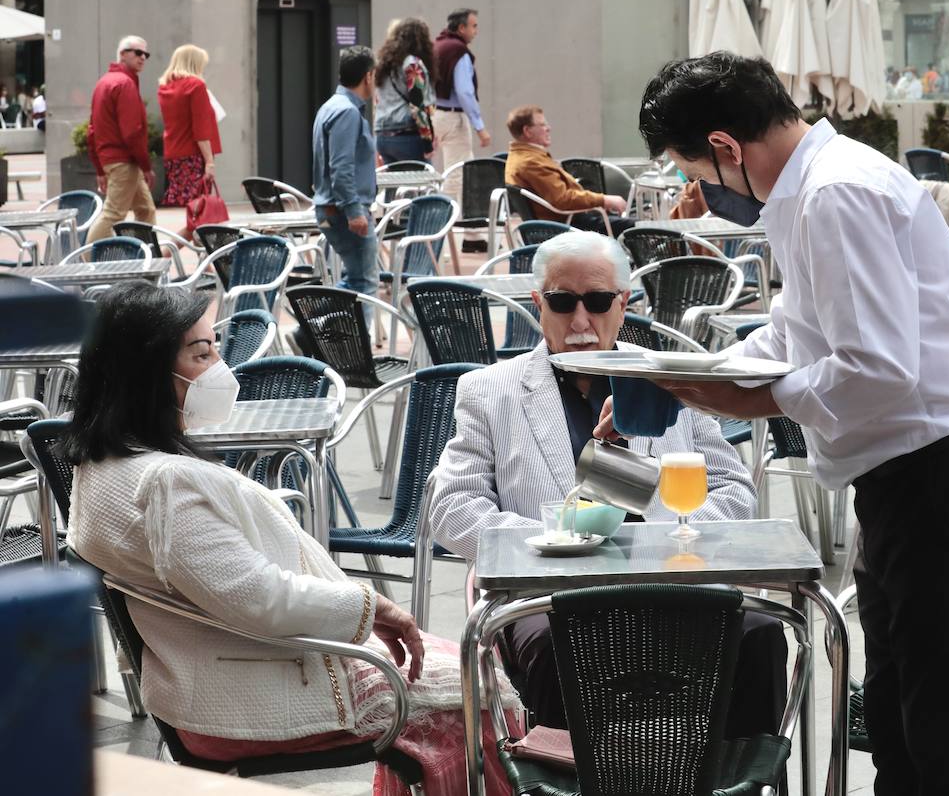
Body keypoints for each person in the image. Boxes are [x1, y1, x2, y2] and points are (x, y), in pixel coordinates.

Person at [618, 52, 949, 795]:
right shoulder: (809, 191)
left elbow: (877, 366)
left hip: (944, 475)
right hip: (904, 477)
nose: (703, 194)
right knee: (906, 733)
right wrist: (695, 380)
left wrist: (753, 401)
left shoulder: (835, 192)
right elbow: (791, 334)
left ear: (725, 148)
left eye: (697, 174)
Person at [62, 281, 517, 795]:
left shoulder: (97, 468)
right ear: (146, 371)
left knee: (469, 665)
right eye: (201, 352)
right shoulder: (168, 483)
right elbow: (261, 598)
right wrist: (375, 607)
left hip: (211, 676)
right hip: (247, 695)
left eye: (216, 347)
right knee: (481, 692)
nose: (218, 366)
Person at [428, 229, 782, 737]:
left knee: (761, 634)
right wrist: (551, 542)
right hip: (553, 592)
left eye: (596, 302)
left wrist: (668, 536)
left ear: (623, 303)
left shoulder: (669, 383)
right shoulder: (489, 389)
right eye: (562, 301)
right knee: (558, 646)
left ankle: (737, 782)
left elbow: (734, 489)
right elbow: (451, 505)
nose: (580, 320)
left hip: (675, 581)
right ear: (538, 303)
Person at [311, 46, 380, 299]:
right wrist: (354, 210)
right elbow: (341, 167)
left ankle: (312, 331)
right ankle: (353, 337)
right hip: (343, 210)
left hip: (330, 207)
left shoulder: (331, 107)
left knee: (357, 279)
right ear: (368, 76)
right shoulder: (347, 112)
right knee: (365, 283)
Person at [503, 105, 631, 236]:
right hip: (566, 227)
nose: (548, 128)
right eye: (542, 125)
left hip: (556, 225)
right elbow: (563, 199)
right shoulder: (530, 162)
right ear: (527, 131)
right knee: (638, 228)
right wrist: (604, 200)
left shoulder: (520, 156)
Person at [87, 35, 156, 242]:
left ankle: (143, 257)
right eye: (138, 52)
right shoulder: (124, 84)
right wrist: (146, 166)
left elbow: (92, 130)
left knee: (145, 210)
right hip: (124, 161)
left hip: (116, 160)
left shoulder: (105, 83)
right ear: (123, 54)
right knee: (114, 214)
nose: (143, 57)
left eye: (146, 54)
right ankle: (87, 260)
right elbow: (132, 132)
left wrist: (100, 167)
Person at [156, 45, 222, 237]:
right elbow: (200, 129)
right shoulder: (196, 85)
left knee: (195, 212)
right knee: (200, 213)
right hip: (194, 156)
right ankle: (172, 251)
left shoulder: (165, 87)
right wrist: (209, 161)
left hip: (175, 154)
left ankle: (201, 255)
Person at [432, 8, 491, 197]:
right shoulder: (459, 52)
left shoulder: (437, 45)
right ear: (461, 28)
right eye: (473, 26)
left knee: (435, 172)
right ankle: (449, 221)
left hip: (434, 115)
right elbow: (465, 92)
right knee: (457, 173)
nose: (476, 31)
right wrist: (479, 127)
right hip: (453, 118)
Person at [373, 17, 436, 166]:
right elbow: (417, 105)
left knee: (394, 185)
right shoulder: (412, 64)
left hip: (383, 135)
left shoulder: (384, 62)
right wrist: (427, 141)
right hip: (407, 134)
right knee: (421, 184)